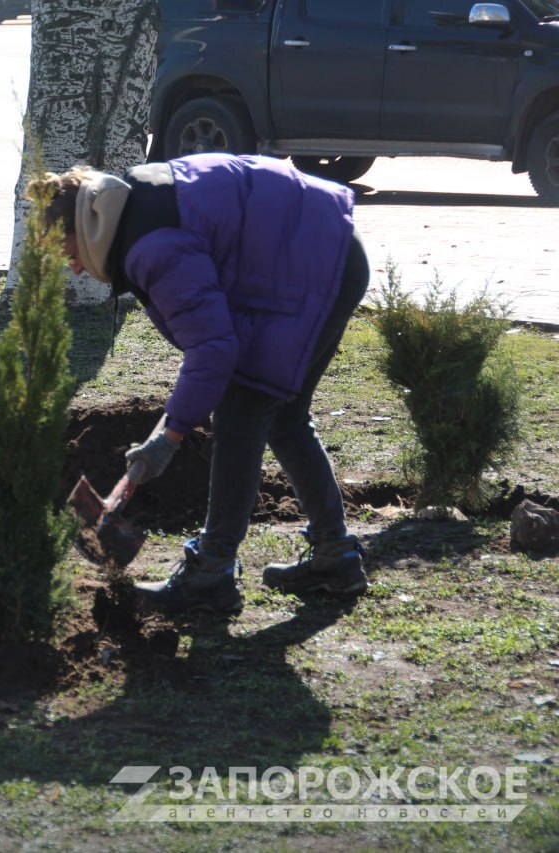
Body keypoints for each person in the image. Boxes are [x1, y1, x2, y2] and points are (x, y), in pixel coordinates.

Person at [31, 153, 370, 614]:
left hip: (314, 259)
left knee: (241, 410)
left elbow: (213, 347)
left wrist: (168, 438)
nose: (72, 268)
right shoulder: (124, 206)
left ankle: (212, 572)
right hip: (320, 247)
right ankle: (335, 555)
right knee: (282, 417)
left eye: (68, 254)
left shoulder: (149, 245)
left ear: (82, 228)